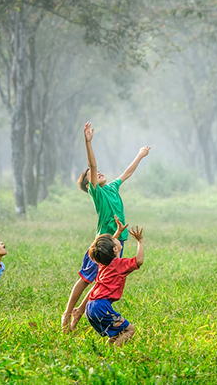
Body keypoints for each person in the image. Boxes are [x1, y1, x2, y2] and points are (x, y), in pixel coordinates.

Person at [61, 122, 150, 332]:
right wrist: (88, 142)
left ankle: (80, 312)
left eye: (98, 172)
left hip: (118, 241)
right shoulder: (97, 193)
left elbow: (127, 173)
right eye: (91, 175)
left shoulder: (111, 187)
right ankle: (68, 313)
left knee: (104, 279)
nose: (97, 172)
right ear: (88, 184)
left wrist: (139, 155)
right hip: (102, 243)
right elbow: (92, 165)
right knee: (85, 278)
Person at [85, 216, 144, 346]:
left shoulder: (103, 263)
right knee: (130, 330)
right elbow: (139, 260)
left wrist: (117, 232)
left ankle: (108, 350)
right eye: (114, 239)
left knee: (117, 333)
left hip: (90, 307)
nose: (116, 238)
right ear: (115, 249)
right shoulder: (120, 265)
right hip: (101, 307)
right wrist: (140, 241)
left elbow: (109, 247)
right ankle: (113, 354)